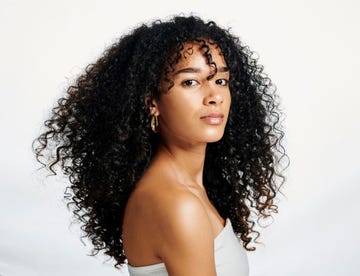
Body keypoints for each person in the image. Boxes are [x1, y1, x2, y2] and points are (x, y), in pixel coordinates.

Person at [33, 15, 287, 276]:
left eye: (220, 80)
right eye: (190, 82)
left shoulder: (183, 189)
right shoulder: (177, 204)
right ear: (152, 102)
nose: (214, 96)